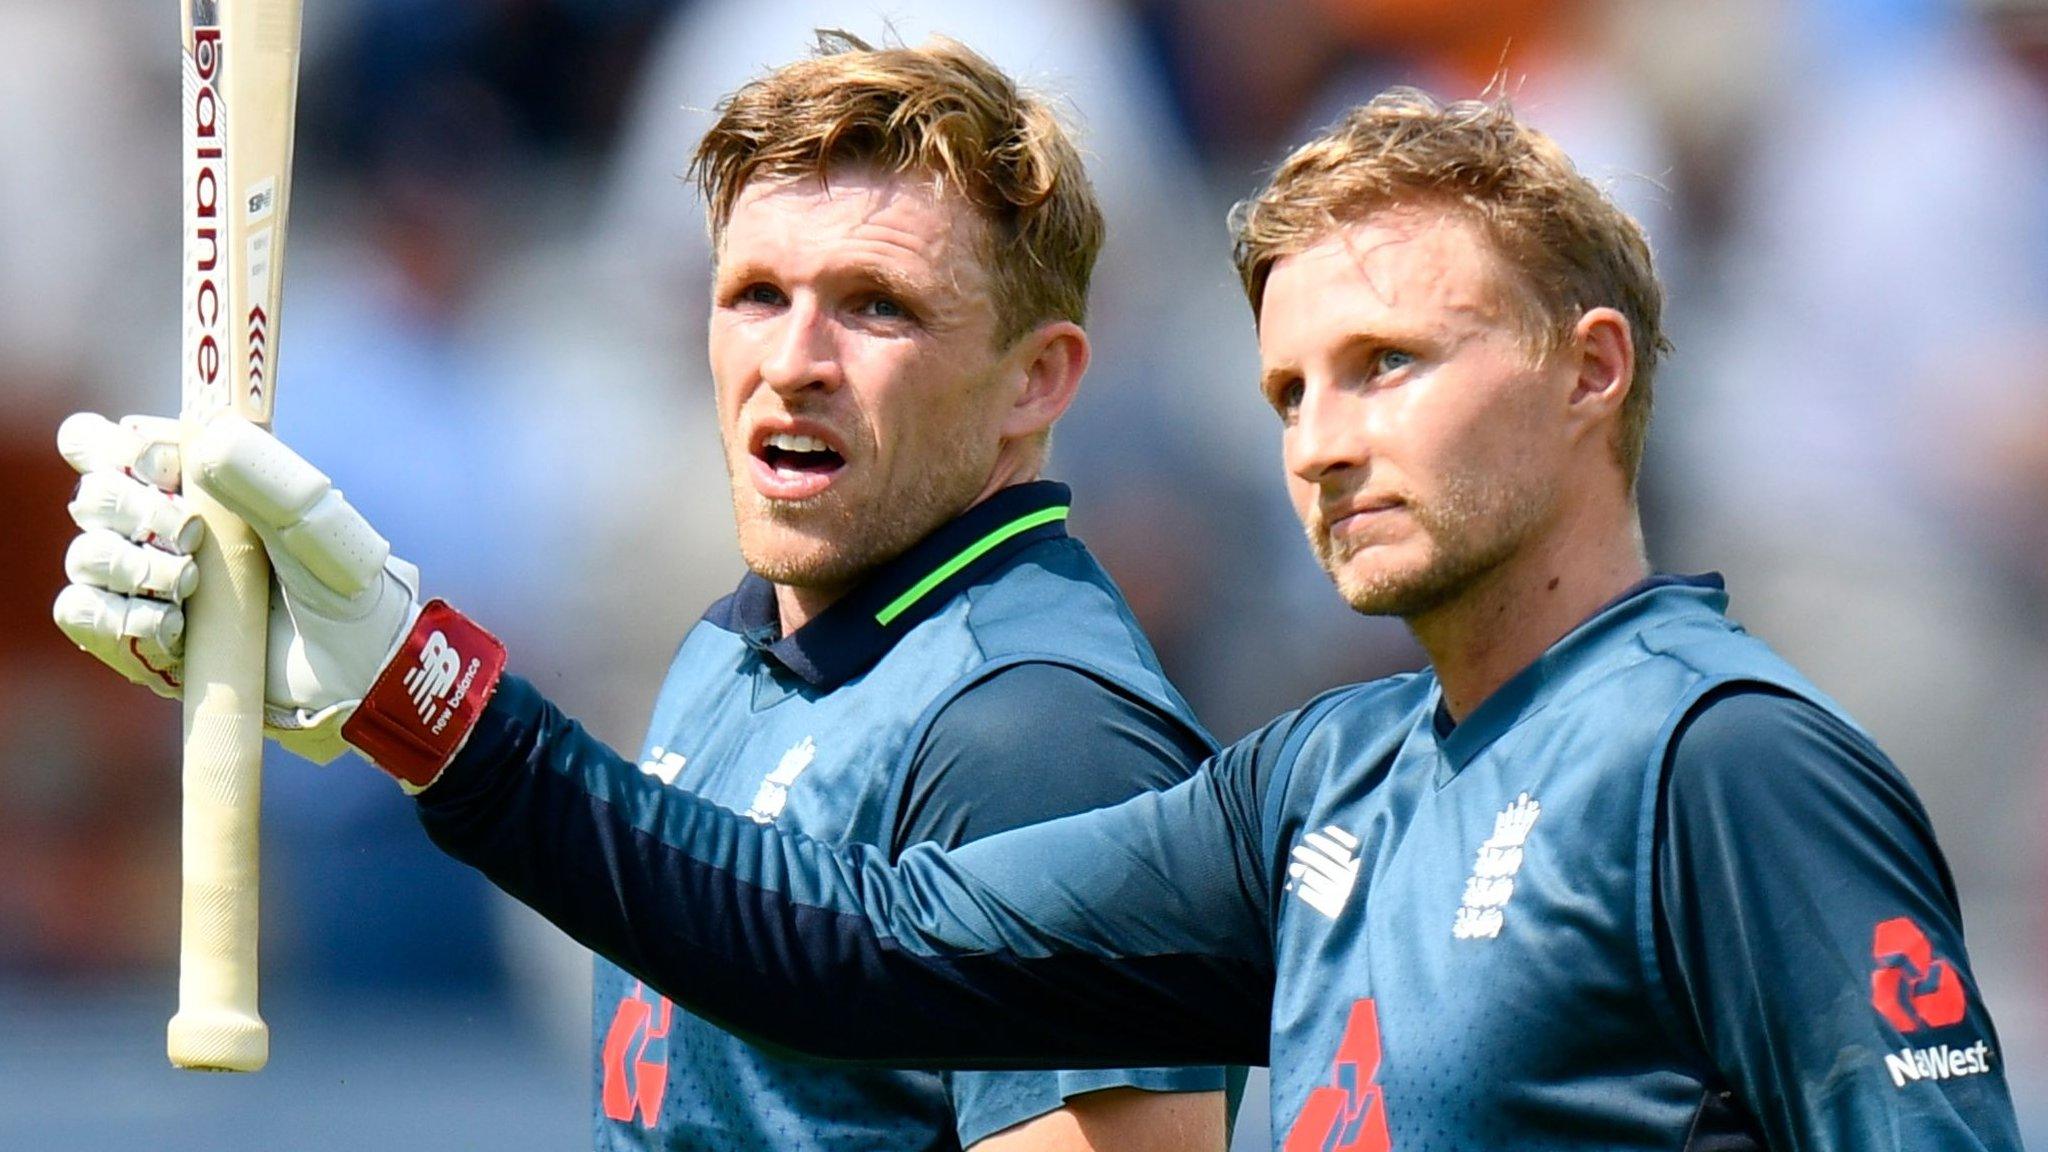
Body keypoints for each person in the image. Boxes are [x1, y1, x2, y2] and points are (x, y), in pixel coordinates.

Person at [54, 87, 2023, 1148]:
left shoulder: (1726, 760)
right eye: (1287, 391)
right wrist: (410, 685)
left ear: (1594, 374)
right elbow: (840, 946)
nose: (1327, 443)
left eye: (1394, 365)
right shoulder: (1325, 781)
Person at [54, 33, 1233, 1152]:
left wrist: (425, 700)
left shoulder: (1047, 740)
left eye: (878, 304)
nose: (793, 360)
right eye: (756, 294)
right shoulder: (733, 650)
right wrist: (367, 704)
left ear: (1036, 380)